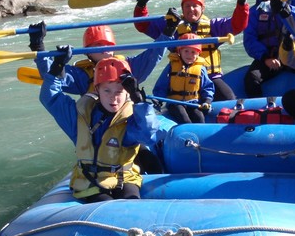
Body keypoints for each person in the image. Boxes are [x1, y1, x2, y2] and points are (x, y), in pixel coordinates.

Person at [37, 53, 168, 202]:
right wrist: (56, 68)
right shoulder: (78, 116)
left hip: (124, 179)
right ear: (97, 90)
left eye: (119, 92)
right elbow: (50, 98)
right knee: (106, 203)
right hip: (88, 181)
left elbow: (148, 135)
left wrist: (140, 102)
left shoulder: (130, 119)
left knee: (131, 202)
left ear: (127, 94)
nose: (113, 97)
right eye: (107, 91)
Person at [133, 0, 249, 101]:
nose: (191, 9)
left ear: (202, 8)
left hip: (209, 77)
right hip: (182, 78)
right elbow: (143, 25)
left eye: (195, 5)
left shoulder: (214, 26)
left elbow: (237, 24)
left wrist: (241, 3)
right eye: (187, 6)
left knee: (229, 99)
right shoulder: (171, 25)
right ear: (182, 8)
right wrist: (141, 5)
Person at [28, 15, 178, 95]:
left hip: (126, 120)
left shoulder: (129, 66)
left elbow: (154, 54)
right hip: (98, 123)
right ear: (88, 52)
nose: (104, 48)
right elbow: (51, 76)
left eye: (107, 44)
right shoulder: (81, 75)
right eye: (98, 45)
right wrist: (38, 46)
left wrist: (168, 31)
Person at [152, 33, 215, 124]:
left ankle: (199, 136)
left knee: (199, 117)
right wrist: (158, 99)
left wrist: (207, 101)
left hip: (193, 102)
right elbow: (162, 84)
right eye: (186, 51)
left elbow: (207, 86)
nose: (189, 55)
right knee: (185, 119)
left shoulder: (201, 69)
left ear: (198, 54)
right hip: (174, 102)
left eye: (193, 52)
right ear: (179, 51)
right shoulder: (172, 66)